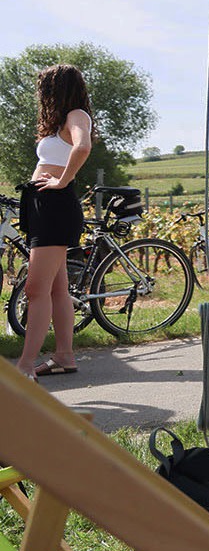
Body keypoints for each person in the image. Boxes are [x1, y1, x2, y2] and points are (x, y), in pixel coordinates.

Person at [16, 64, 93, 381]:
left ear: (58, 89)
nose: (42, 95)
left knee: (35, 290)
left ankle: (23, 367)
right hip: (42, 205)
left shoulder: (77, 115)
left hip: (55, 206)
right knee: (57, 289)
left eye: (45, 89)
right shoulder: (60, 121)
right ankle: (64, 356)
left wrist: (62, 180)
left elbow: (83, 146)